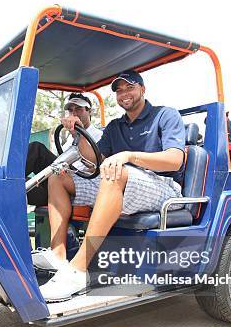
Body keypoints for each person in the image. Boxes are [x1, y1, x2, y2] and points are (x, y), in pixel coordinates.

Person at [35, 70, 186, 301]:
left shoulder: (165, 115)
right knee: (59, 176)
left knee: (115, 173)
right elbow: (94, 160)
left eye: (130, 87)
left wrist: (128, 156)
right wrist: (78, 132)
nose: (124, 93)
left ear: (143, 90)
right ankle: (58, 254)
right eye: (119, 90)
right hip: (124, 180)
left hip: (164, 186)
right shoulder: (116, 126)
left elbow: (176, 159)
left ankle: (78, 271)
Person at [26, 93, 103, 206]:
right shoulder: (69, 139)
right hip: (58, 179)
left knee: (36, 149)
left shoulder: (99, 136)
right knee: (16, 185)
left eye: (78, 109)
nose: (74, 113)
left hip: (79, 182)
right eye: (71, 110)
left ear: (89, 111)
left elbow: (95, 167)